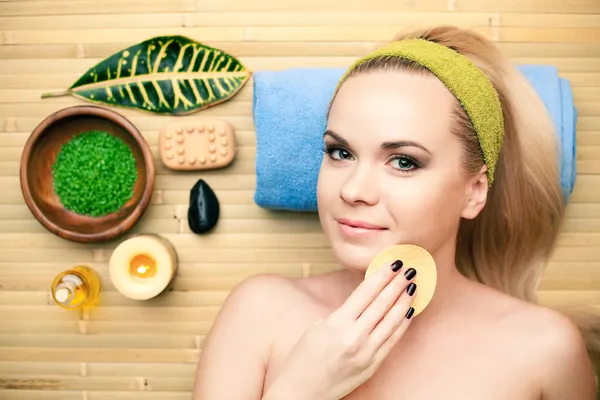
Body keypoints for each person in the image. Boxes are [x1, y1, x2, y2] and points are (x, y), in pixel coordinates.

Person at [192, 25, 599, 399]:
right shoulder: (259, 311)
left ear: (475, 191)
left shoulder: (547, 350)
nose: (352, 190)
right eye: (340, 152)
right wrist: (303, 387)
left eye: (404, 161)